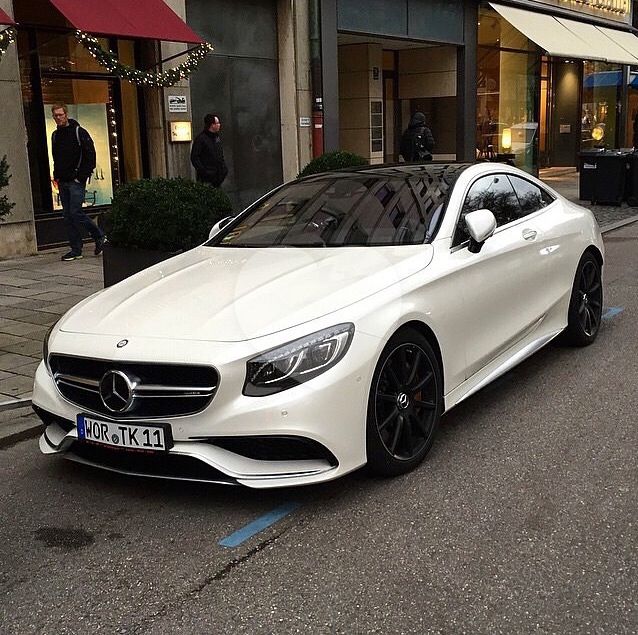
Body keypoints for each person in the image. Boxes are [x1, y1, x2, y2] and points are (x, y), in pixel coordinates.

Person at [50, 103, 106, 261]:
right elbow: (57, 158)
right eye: (55, 115)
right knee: (67, 215)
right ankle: (76, 249)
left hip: (75, 181)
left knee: (75, 212)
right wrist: (57, 176)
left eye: (60, 115)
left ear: (66, 114)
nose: (58, 118)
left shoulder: (79, 132)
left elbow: (90, 156)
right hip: (63, 180)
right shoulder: (55, 135)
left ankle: (100, 236)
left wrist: (80, 177)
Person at [190, 113, 228, 187]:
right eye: (217, 123)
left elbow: (220, 155)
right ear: (212, 125)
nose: (219, 125)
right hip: (207, 178)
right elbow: (194, 157)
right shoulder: (201, 139)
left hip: (218, 177)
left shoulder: (216, 138)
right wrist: (204, 172)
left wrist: (224, 170)